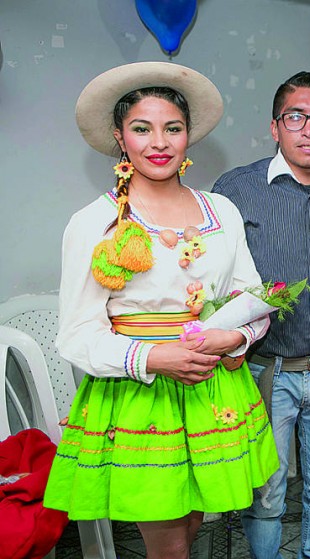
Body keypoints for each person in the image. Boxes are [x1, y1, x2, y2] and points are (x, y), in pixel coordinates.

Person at [43, 62, 278, 558]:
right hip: (141, 396)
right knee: (167, 543)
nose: (159, 142)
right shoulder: (96, 223)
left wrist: (233, 338)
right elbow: (77, 332)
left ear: (188, 136)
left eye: (172, 128)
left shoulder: (223, 212)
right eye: (141, 128)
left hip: (213, 386)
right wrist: (153, 357)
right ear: (119, 138)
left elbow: (252, 297)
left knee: (193, 525)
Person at [212, 71, 310, 559]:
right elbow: (212, 274)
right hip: (264, 371)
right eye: (295, 117)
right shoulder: (236, 189)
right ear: (274, 127)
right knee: (266, 493)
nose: (309, 129)